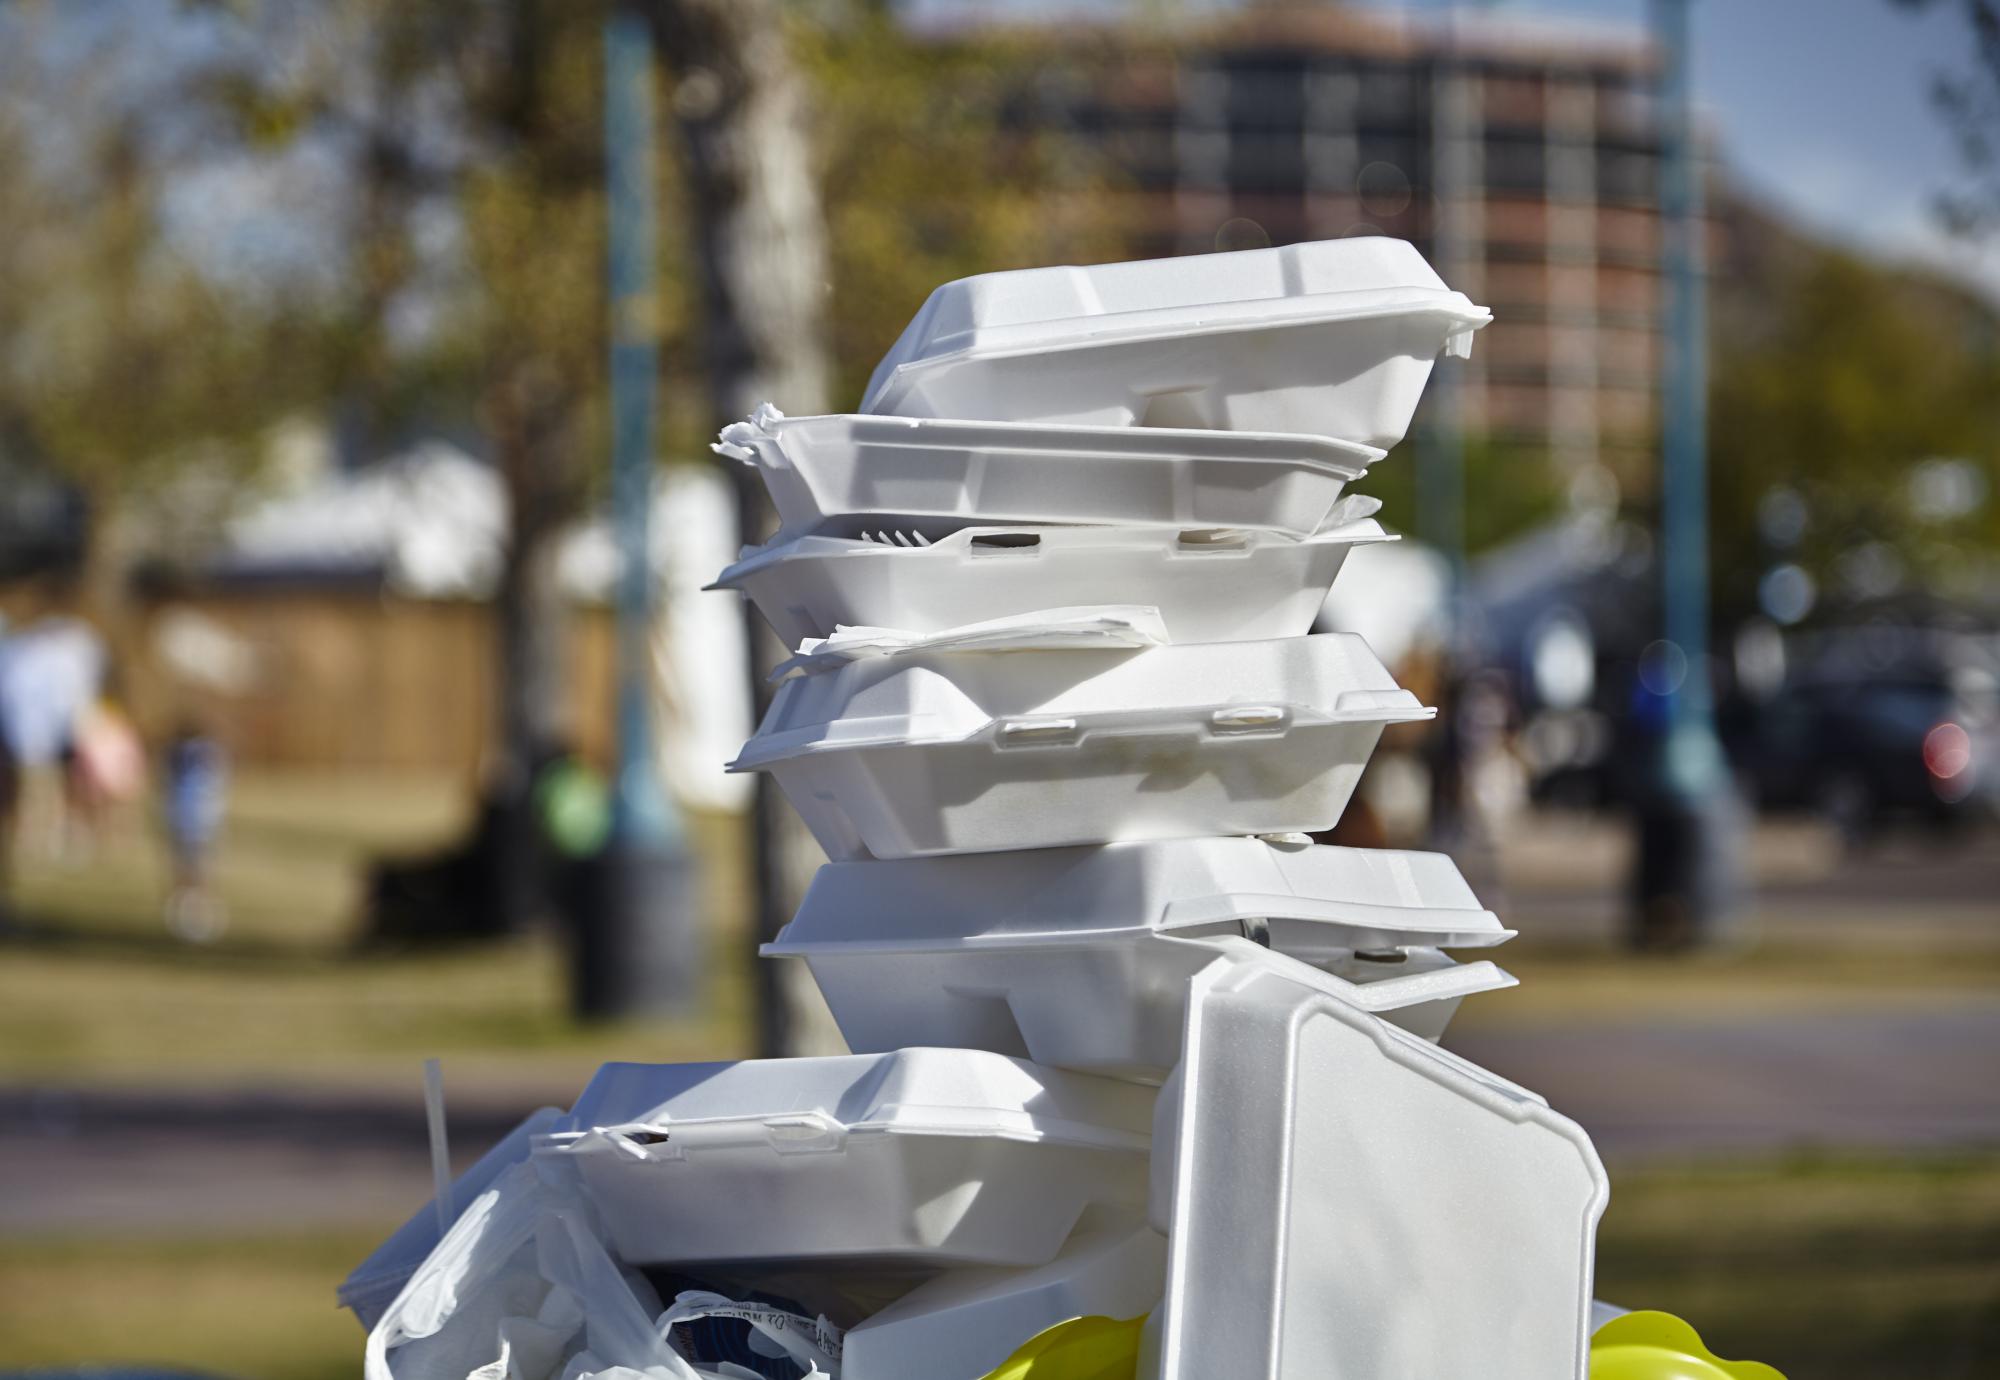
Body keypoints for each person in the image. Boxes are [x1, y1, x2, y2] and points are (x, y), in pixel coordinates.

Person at [162, 720, 228, 942]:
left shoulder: (177, 754)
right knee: (200, 869)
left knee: (185, 868)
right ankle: (195, 911)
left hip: (184, 818)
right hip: (203, 820)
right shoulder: (209, 753)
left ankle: (184, 911)